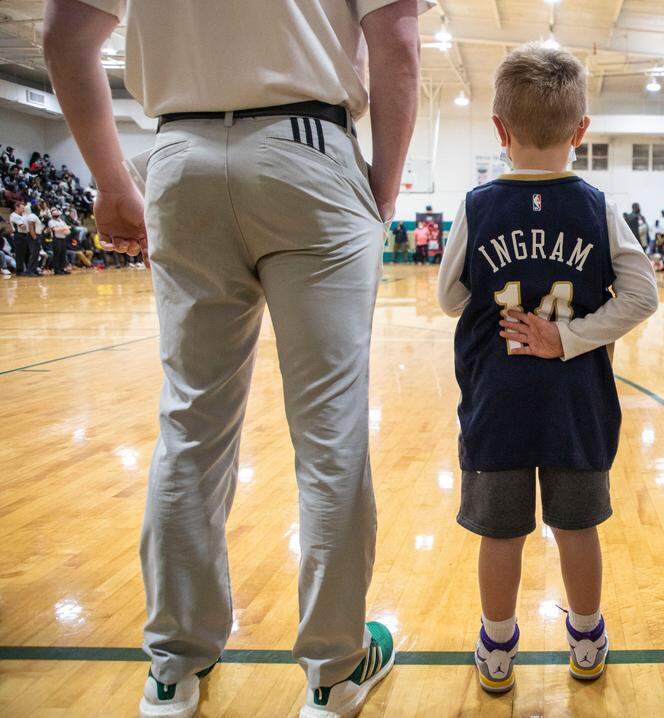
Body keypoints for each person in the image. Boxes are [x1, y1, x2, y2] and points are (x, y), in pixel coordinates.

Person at [42, 0, 426, 716]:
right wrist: (380, 192)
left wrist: (110, 176)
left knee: (190, 428)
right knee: (330, 435)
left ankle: (173, 670)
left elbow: (66, 36)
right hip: (310, 150)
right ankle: (335, 669)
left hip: (179, 156)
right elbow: (397, 43)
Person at [436, 43, 657, 695]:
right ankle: (586, 638)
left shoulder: (478, 206)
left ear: (499, 132)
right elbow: (642, 294)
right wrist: (570, 336)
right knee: (576, 525)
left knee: (500, 532)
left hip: (495, 400)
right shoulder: (596, 206)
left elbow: (450, 297)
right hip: (576, 403)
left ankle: (498, 648)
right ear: (580, 132)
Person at [8, 199, 40, 276]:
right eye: (22, 208)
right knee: (20, 254)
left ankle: (29, 270)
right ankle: (19, 271)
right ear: (17, 207)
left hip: (26, 235)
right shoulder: (13, 215)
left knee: (28, 254)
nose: (23, 209)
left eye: (24, 208)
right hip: (19, 236)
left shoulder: (24, 215)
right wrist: (29, 224)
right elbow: (23, 227)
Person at [47, 207, 72, 275]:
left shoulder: (62, 221)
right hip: (56, 239)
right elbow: (55, 230)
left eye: (57, 212)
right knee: (57, 254)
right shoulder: (51, 221)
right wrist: (65, 228)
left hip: (63, 238)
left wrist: (64, 229)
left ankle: (62, 268)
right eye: (54, 212)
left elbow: (68, 231)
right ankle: (56, 270)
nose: (56, 213)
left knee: (63, 254)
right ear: (52, 214)